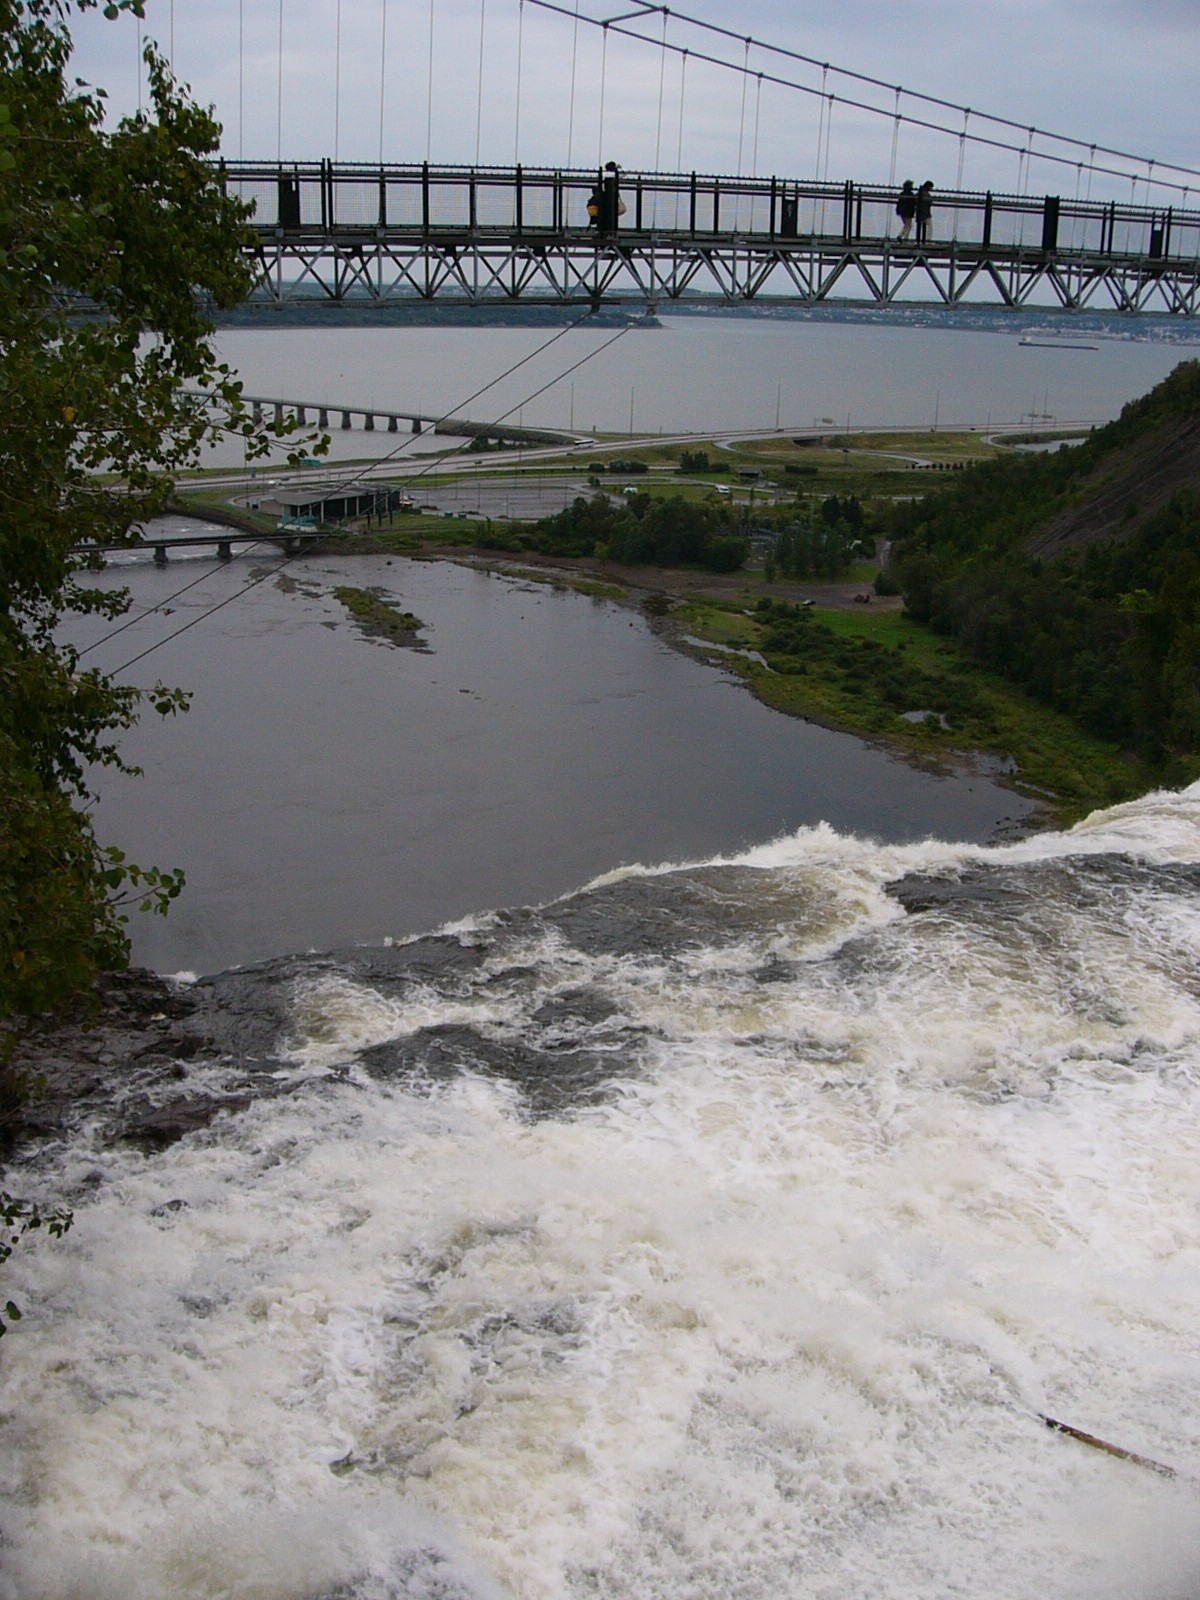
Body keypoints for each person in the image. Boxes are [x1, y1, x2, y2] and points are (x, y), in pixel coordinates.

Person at [916, 180, 933, 245]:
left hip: (919, 213)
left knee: (920, 228)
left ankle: (919, 240)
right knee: (929, 227)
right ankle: (927, 240)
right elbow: (930, 203)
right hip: (926, 213)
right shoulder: (927, 194)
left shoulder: (919, 193)